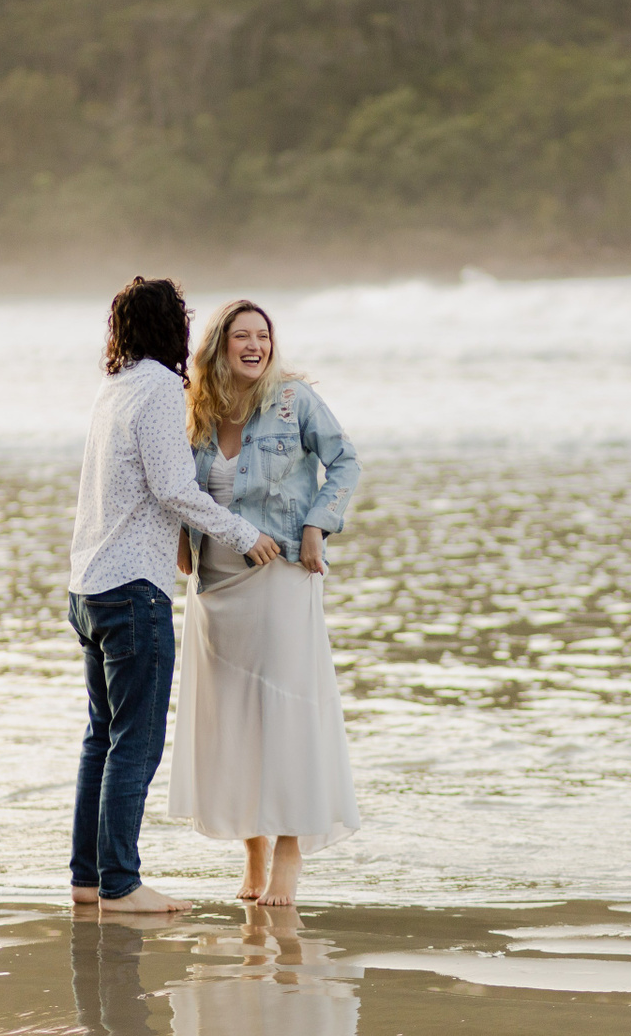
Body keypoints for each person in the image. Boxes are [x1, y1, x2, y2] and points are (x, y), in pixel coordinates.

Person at [67, 277, 283, 915]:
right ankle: (120, 884)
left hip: (88, 586)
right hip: (134, 588)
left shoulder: (113, 386)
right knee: (135, 742)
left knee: (102, 737)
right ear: (174, 327)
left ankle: (88, 879)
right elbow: (174, 487)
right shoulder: (162, 387)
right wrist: (245, 535)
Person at [169, 299, 361, 906]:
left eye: (264, 336)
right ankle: (252, 849)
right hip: (215, 586)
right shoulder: (197, 409)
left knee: (285, 715)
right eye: (242, 336)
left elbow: (345, 462)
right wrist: (180, 544)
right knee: (233, 720)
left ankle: (288, 851)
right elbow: (180, 488)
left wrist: (317, 526)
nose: (255, 346)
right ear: (219, 346)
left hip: (281, 575)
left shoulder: (294, 401)